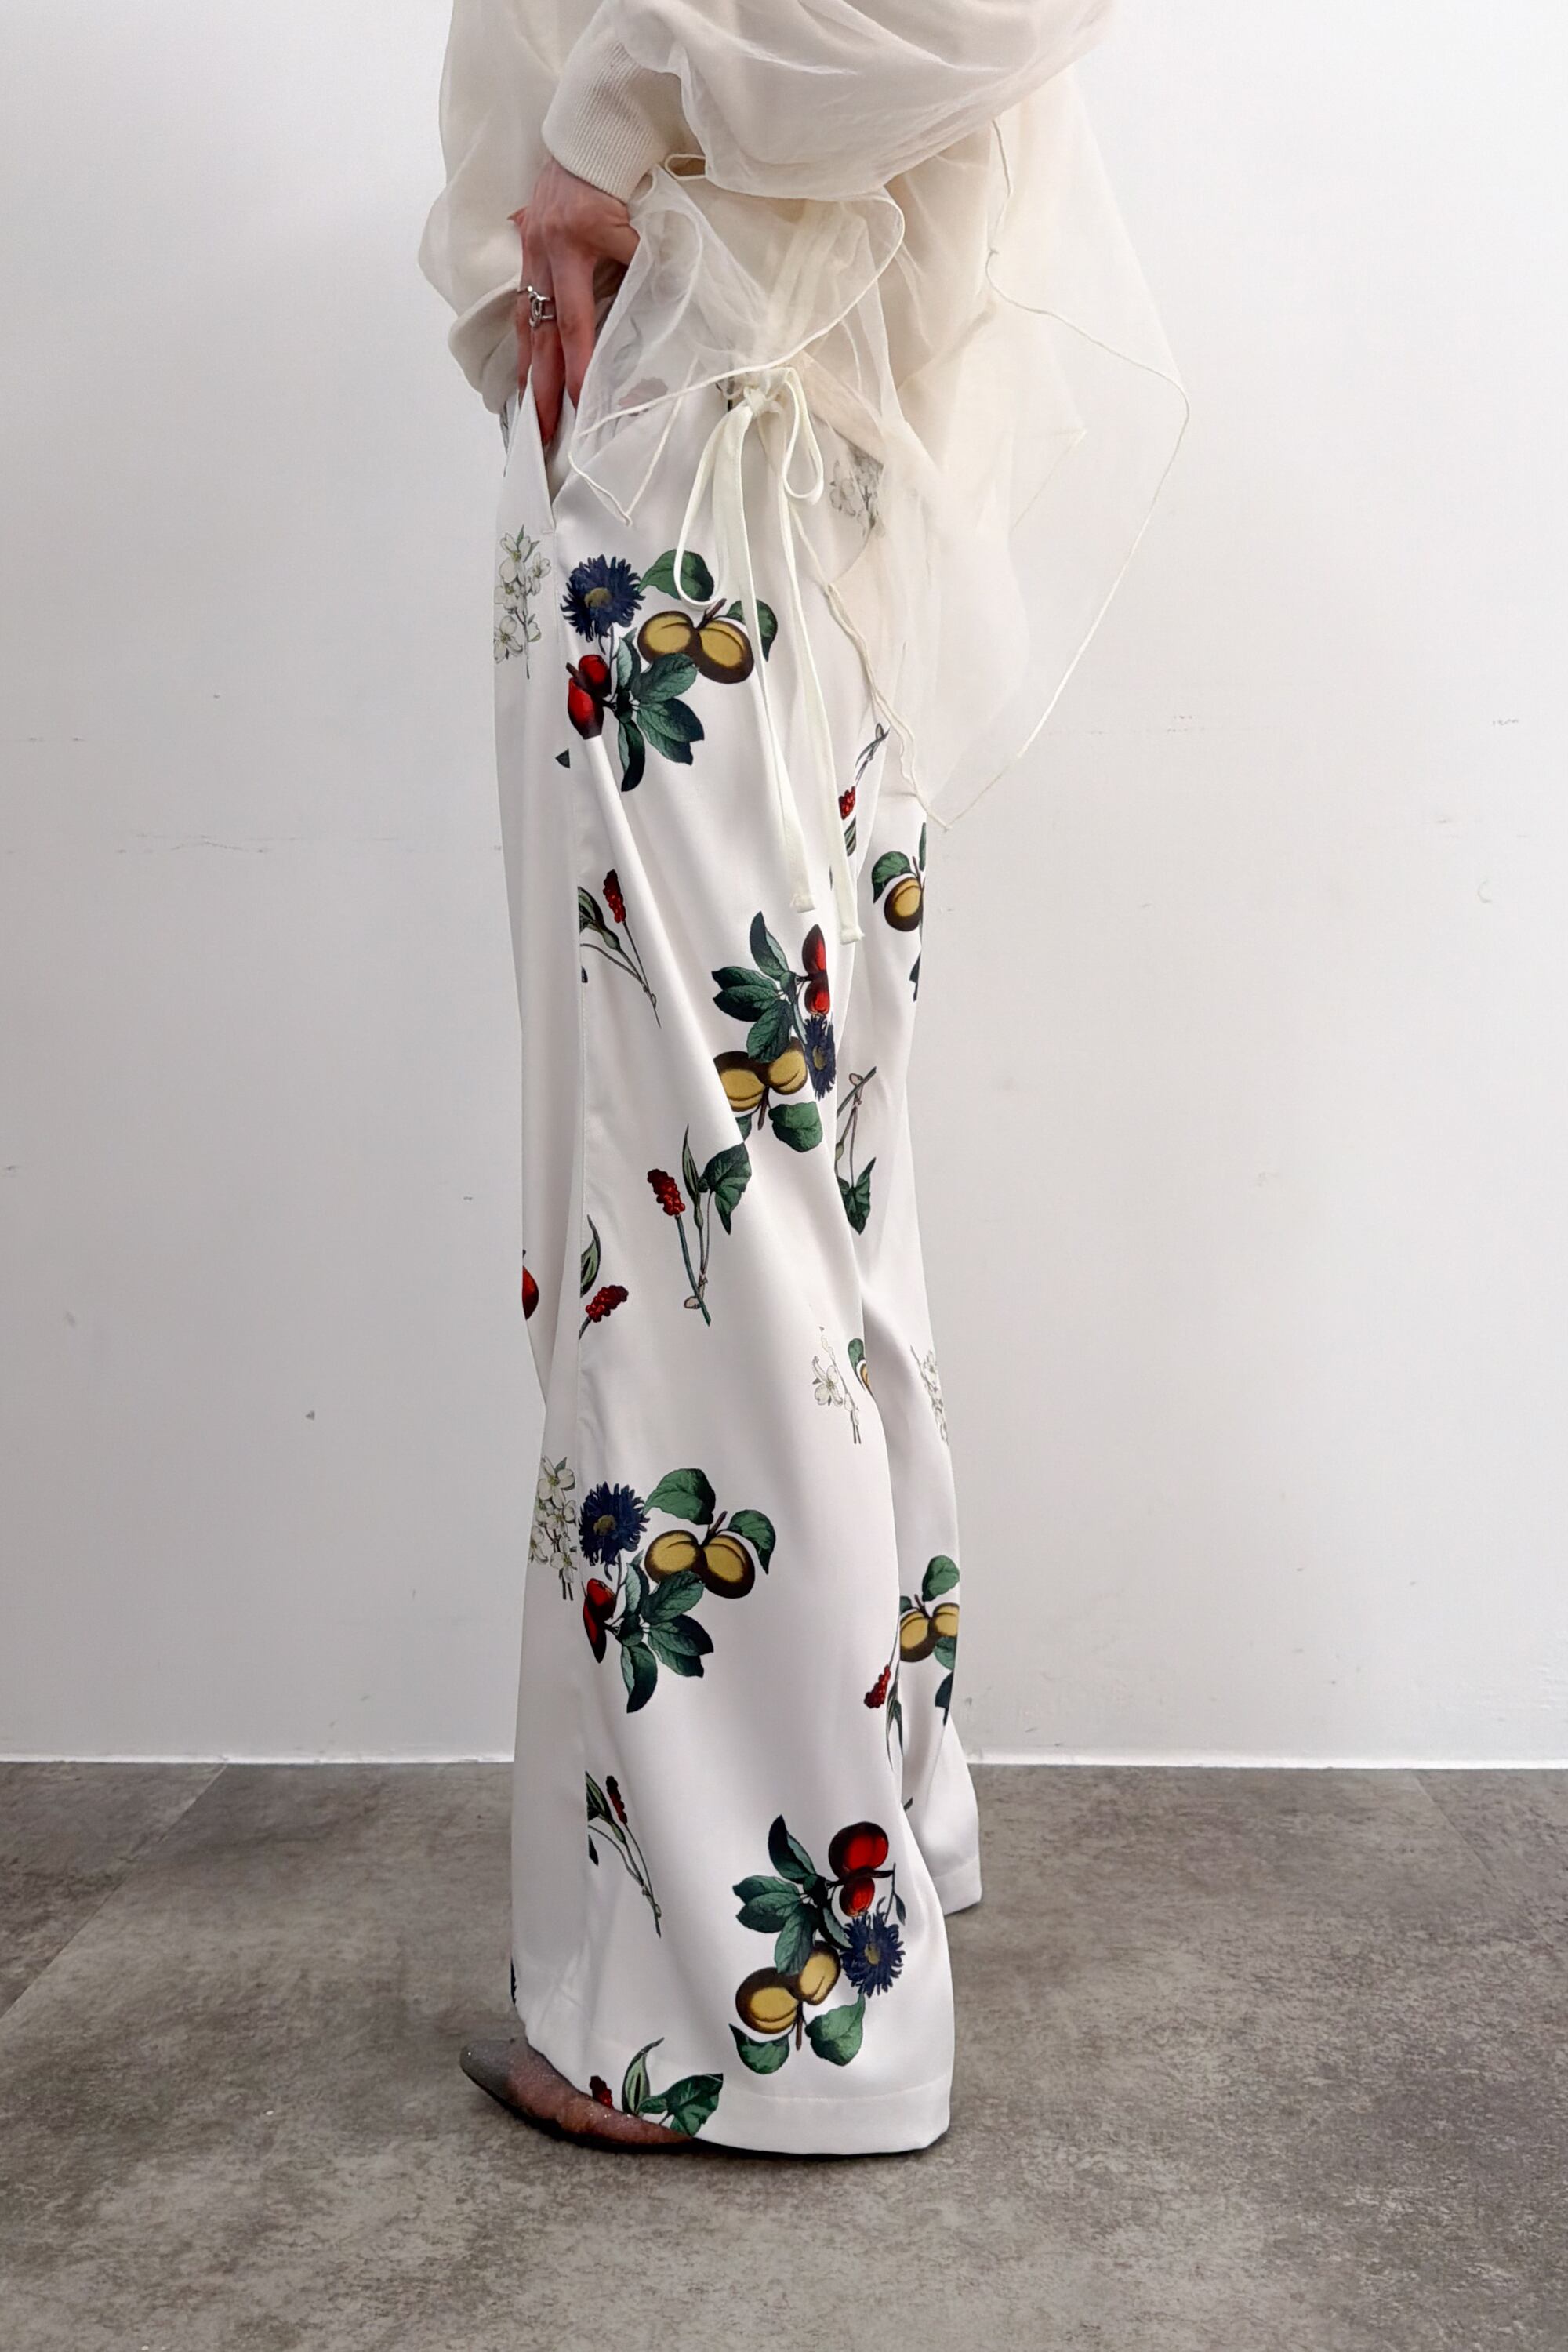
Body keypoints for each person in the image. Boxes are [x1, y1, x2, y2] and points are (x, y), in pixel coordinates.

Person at [418, 0, 1185, 2156]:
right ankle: (868, 1857)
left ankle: (766, 2025)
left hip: (701, 449)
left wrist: (604, 127)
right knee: (796, 1188)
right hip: (773, 445)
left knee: (692, 1219)